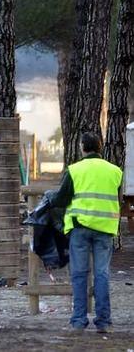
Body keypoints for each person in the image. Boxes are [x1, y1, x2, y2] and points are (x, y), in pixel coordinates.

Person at [50, 132, 122, 334]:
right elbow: (118, 199)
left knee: (80, 274)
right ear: (100, 147)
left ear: (82, 146)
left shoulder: (75, 170)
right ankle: (104, 321)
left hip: (80, 228)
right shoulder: (115, 171)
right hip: (105, 229)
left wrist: (51, 202)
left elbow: (61, 199)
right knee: (102, 274)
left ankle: (79, 320)